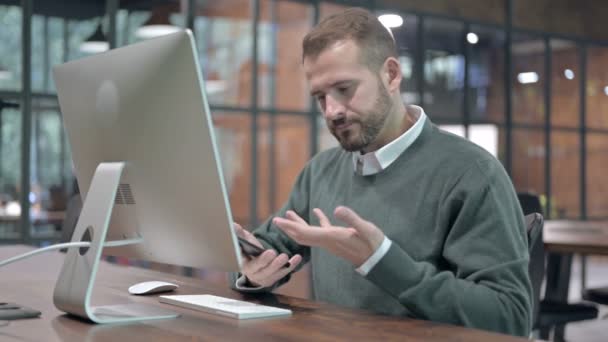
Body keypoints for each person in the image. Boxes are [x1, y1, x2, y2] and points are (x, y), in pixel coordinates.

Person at [233, 7, 532, 337]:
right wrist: (254, 268)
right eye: (320, 97)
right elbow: (274, 246)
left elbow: (509, 318)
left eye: (344, 89)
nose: (331, 111)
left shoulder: (472, 173)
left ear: (391, 75)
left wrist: (382, 260)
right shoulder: (321, 170)